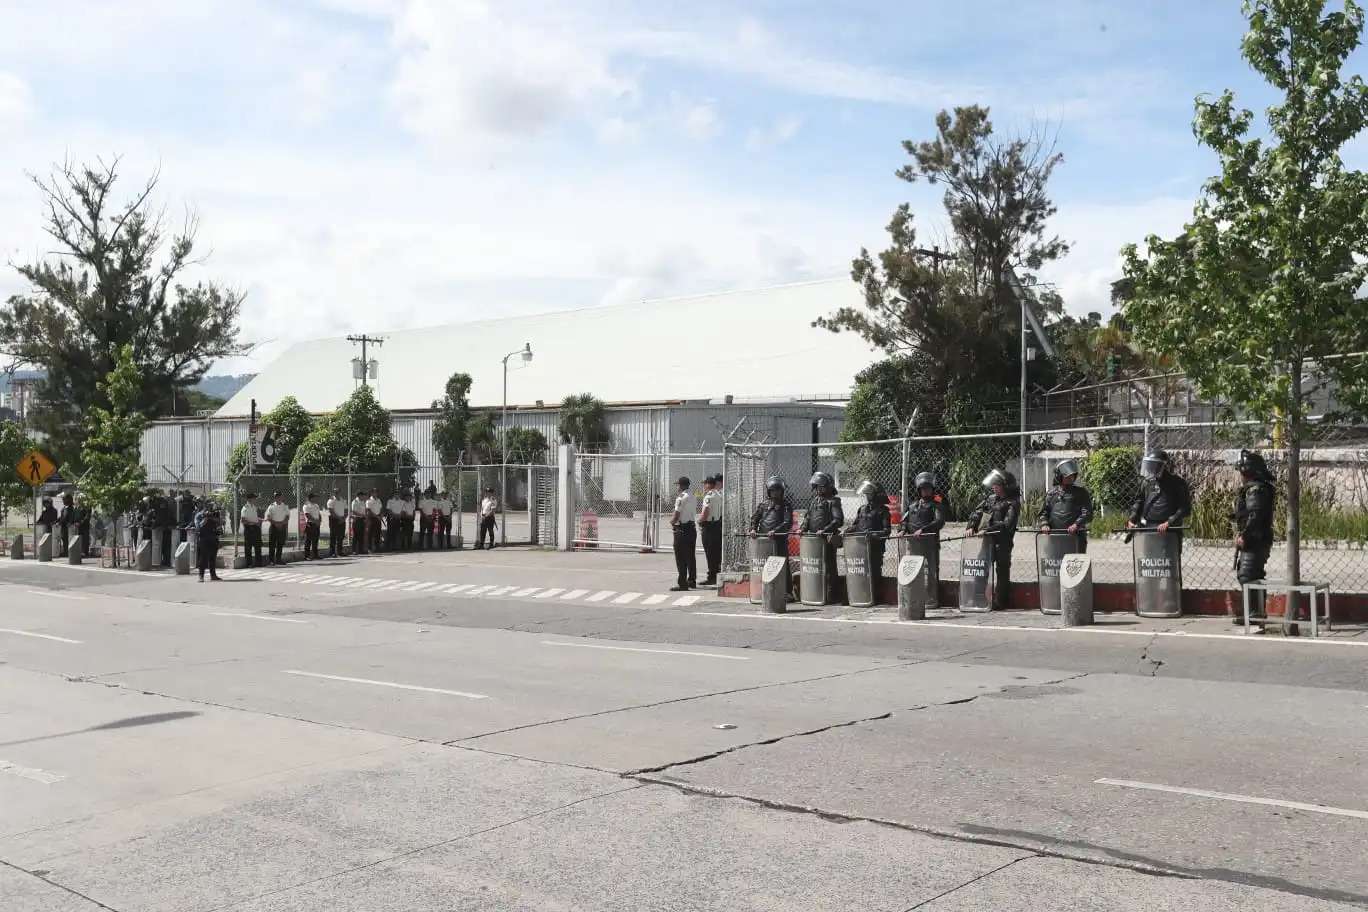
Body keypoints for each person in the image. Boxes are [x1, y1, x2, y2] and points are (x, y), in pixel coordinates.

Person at [1232, 450, 1276, 626]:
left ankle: (1254, 614)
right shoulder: (1257, 488)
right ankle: (1255, 613)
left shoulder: (1256, 489)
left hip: (1255, 538)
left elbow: (1255, 515)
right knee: (1253, 575)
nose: (1240, 476)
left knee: (1247, 575)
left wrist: (1245, 535)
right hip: (1258, 537)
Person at [968, 469, 1021, 611]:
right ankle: (977, 598)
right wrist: (971, 526)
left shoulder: (1013, 503)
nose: (994, 487)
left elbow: (1007, 525)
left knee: (1002, 572)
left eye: (997, 485)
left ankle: (1001, 602)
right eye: (993, 485)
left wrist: (988, 529)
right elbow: (978, 512)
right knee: (981, 569)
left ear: (1006, 486)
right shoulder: (990, 499)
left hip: (1002, 543)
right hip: (987, 541)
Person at [1127, 449, 1192, 537]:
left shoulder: (1177, 483)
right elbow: (1139, 501)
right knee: (1146, 550)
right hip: (1148, 526)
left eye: (1153, 466)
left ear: (1164, 467)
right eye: (1149, 466)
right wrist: (1132, 519)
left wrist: (1169, 522)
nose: (1150, 469)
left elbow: (1185, 508)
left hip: (1170, 529)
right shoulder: (1147, 482)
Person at [1037, 459, 1094, 552]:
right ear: (1059, 476)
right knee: (1054, 563)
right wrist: (1044, 524)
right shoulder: (1051, 494)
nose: (1070, 478)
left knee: (1075, 563)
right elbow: (1043, 512)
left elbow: (1087, 513)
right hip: (1055, 538)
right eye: (1066, 475)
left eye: (1072, 475)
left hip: (1076, 537)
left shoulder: (1081, 493)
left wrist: (1076, 525)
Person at [670, 476, 698, 591]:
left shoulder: (681, 498)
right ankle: (692, 580)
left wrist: (671, 522)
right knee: (690, 556)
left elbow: (677, 515)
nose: (677, 487)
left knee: (680, 557)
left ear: (681, 486)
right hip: (691, 528)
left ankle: (682, 583)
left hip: (682, 529)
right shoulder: (693, 496)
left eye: (678, 485)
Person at [697, 475, 724, 586]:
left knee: (710, 553)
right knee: (716, 553)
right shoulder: (718, 494)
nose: (704, 486)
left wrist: (699, 521)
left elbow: (705, 512)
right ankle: (716, 574)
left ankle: (711, 577)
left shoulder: (709, 496)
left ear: (709, 484)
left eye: (705, 484)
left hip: (709, 526)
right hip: (717, 524)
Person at [194, 502, 222, 582]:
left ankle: (213, 575)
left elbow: (219, 523)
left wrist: (213, 518)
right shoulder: (199, 515)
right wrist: (205, 519)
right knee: (203, 558)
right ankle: (201, 575)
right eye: (209, 506)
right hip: (204, 538)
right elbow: (198, 527)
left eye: (211, 507)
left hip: (213, 537)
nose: (210, 508)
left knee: (212, 558)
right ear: (205, 506)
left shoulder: (214, 514)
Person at [265, 491, 290, 566]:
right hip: (274, 527)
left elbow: (287, 516)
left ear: (282, 497)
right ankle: (271, 560)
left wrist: (282, 523)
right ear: (275, 498)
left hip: (282, 527)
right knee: (272, 544)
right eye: (276, 496)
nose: (278, 498)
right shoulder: (271, 506)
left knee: (280, 544)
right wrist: (276, 524)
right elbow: (268, 517)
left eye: (279, 496)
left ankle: (278, 559)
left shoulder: (285, 506)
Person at [240, 492, 264, 568]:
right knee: (248, 547)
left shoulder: (254, 507)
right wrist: (254, 523)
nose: (255, 499)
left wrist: (259, 520)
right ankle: (249, 563)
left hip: (256, 528)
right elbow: (243, 520)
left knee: (258, 546)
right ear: (249, 499)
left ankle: (258, 562)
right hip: (249, 528)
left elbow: (254, 517)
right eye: (253, 498)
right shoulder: (245, 508)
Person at [326, 489, 347, 557]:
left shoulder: (343, 500)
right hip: (334, 520)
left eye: (338, 492)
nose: (337, 493)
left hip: (342, 520)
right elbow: (331, 511)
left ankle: (340, 551)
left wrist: (343, 518)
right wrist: (339, 518)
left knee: (341, 536)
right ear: (333, 493)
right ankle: (332, 552)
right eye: (335, 492)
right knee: (333, 536)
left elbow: (346, 510)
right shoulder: (331, 500)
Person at [302, 492, 322, 560]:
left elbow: (319, 514)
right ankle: (306, 556)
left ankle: (315, 555)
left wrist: (319, 521)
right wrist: (315, 521)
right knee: (308, 540)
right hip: (310, 524)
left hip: (316, 524)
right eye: (314, 497)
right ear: (311, 498)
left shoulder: (316, 505)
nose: (316, 498)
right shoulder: (306, 505)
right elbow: (307, 515)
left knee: (315, 540)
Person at [418, 483, 438, 550]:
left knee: (430, 533)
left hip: (431, 518)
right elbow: (421, 510)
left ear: (430, 494)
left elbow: (435, 510)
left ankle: (430, 546)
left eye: (429, 493)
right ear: (424, 494)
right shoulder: (421, 501)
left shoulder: (434, 501)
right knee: (422, 533)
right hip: (424, 518)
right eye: (426, 493)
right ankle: (420, 546)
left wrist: (432, 517)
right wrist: (426, 517)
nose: (428, 494)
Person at [366, 488, 384, 554]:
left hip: (378, 518)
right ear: (371, 493)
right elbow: (369, 511)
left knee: (378, 534)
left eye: (376, 492)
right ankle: (369, 548)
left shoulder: (379, 500)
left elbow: (381, 509)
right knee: (370, 534)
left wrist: (381, 516)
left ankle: (377, 548)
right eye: (373, 492)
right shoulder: (368, 501)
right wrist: (377, 516)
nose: (375, 493)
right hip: (372, 518)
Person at [350, 489, 368, 555]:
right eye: (362, 495)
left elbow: (364, 510)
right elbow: (354, 511)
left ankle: (361, 550)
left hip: (362, 519)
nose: (364, 497)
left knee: (361, 535)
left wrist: (365, 516)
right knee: (355, 536)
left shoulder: (363, 502)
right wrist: (362, 515)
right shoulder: (354, 502)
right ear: (359, 495)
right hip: (356, 519)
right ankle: (353, 550)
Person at [57, 491, 75, 557]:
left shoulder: (71, 508)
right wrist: (56, 521)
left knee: (67, 540)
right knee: (63, 539)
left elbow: (71, 517)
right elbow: (61, 517)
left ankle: (67, 552)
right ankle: (65, 552)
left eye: (64, 499)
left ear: (69, 500)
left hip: (68, 527)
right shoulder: (64, 508)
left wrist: (69, 523)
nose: (63, 501)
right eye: (63, 499)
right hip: (63, 527)